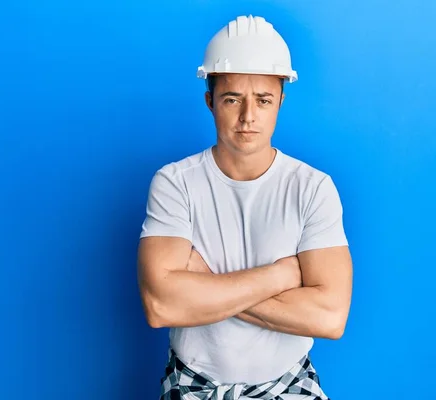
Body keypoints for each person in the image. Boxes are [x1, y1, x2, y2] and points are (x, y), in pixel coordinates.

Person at [137, 15, 353, 400]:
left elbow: (330, 317)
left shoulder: (312, 188)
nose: (248, 117)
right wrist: (282, 274)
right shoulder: (175, 183)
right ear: (210, 101)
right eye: (232, 99)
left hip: (288, 383)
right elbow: (161, 305)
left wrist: (206, 289)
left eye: (263, 100)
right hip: (192, 384)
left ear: (281, 101)